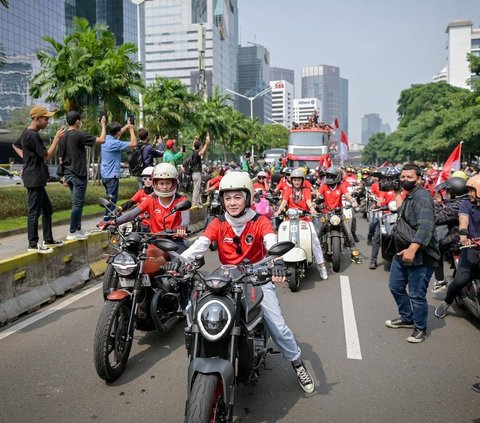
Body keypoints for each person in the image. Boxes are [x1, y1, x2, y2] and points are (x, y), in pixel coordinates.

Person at [167, 171, 315, 394]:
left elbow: (271, 241)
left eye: (238, 197)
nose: (232, 202)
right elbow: (200, 245)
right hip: (225, 277)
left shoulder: (259, 221)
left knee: (278, 326)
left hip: (257, 277)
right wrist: (180, 261)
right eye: (228, 198)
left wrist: (278, 262)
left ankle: (296, 363)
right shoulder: (218, 223)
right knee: (192, 313)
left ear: (248, 197)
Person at [385, 163, 439, 343]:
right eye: (402, 177)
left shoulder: (422, 198)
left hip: (419, 255)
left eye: (409, 177)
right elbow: (403, 213)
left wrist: (413, 248)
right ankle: (407, 318)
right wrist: (398, 193)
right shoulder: (409, 196)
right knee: (395, 286)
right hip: (401, 252)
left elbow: (425, 227)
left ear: (419, 179)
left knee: (416, 294)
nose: (404, 180)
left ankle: (420, 328)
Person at [12, 105, 65, 254]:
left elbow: (15, 145)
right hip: (34, 177)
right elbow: (46, 156)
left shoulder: (26, 133)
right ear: (37, 119)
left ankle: (48, 239)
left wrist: (27, 159)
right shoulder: (33, 135)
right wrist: (56, 139)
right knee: (34, 211)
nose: (47, 121)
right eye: (45, 119)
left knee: (47, 209)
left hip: (36, 176)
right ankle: (33, 245)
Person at [102, 163, 190, 250]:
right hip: (155, 240)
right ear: (155, 184)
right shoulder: (150, 199)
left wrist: (182, 227)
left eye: (168, 183)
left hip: (175, 240)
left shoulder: (181, 200)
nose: (164, 187)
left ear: (174, 183)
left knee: (179, 262)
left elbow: (186, 218)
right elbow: (132, 214)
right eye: (161, 183)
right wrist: (113, 222)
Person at [434, 174, 480, 318]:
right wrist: (464, 235)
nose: (469, 193)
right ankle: (447, 302)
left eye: (472, 190)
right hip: (471, 247)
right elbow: (463, 220)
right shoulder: (466, 204)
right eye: (469, 190)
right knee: (460, 279)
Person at [274, 168, 329, 280]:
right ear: (292, 180)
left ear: (302, 180)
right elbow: (284, 202)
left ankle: (321, 265)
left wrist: (312, 210)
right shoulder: (288, 190)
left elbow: (309, 202)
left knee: (315, 241)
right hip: (290, 219)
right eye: (295, 180)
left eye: (299, 180)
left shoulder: (306, 190)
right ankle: (277, 263)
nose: (297, 182)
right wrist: (278, 211)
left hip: (305, 219)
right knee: (280, 239)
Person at [60, 111, 106, 240]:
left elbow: (60, 157)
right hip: (78, 173)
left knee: (78, 202)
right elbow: (102, 140)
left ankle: (78, 229)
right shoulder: (79, 135)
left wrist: (63, 175)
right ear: (77, 122)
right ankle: (73, 231)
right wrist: (103, 125)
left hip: (68, 173)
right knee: (77, 203)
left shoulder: (63, 136)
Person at [431, 171, 469, 292]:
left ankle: (440, 281)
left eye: (448, 191)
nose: (447, 194)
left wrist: (437, 202)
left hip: (459, 237)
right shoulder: (468, 200)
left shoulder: (458, 205)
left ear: (455, 191)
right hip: (470, 236)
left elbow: (436, 218)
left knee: (435, 247)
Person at [317, 166, 362, 264]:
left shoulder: (341, 186)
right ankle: (315, 253)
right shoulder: (324, 186)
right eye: (328, 175)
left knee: (349, 234)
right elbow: (318, 195)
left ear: (337, 177)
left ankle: (354, 254)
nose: (329, 177)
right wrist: (315, 200)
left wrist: (353, 202)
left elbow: (347, 195)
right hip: (326, 213)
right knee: (317, 232)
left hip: (339, 214)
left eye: (331, 176)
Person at [100, 120, 137, 220]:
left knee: (109, 199)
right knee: (112, 201)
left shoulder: (105, 138)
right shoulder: (115, 143)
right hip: (112, 176)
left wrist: (126, 126)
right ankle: (107, 221)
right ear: (117, 132)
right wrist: (131, 129)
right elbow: (134, 143)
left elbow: (117, 133)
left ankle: (108, 218)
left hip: (105, 175)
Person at [117, 166, 155, 232]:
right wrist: (120, 208)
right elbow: (130, 202)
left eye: (150, 179)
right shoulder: (141, 192)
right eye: (145, 179)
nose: (147, 181)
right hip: (143, 225)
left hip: (155, 225)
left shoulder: (159, 194)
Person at [190, 133, 210, 207]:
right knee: (197, 188)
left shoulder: (193, 151)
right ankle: (195, 203)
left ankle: (198, 202)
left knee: (197, 187)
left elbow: (193, 146)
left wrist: (195, 140)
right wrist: (206, 144)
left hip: (194, 173)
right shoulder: (197, 153)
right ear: (199, 146)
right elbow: (202, 152)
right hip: (197, 173)